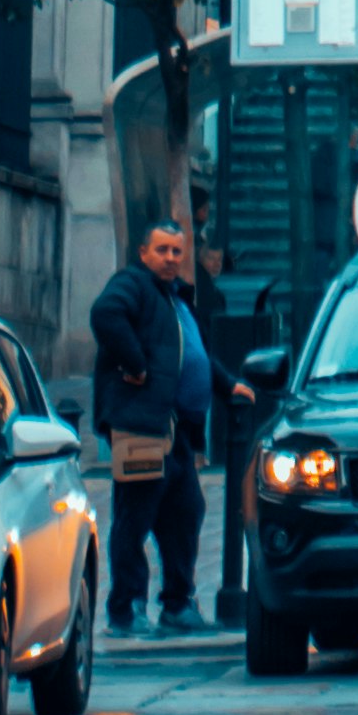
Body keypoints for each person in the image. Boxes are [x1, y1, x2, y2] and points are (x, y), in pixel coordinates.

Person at [91, 219, 214, 636]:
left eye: (178, 251)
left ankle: (178, 604)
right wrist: (135, 363)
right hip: (141, 425)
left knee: (185, 511)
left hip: (172, 427)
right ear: (144, 253)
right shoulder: (134, 284)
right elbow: (105, 315)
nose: (171, 258)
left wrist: (229, 383)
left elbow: (192, 354)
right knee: (135, 517)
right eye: (162, 250)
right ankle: (126, 609)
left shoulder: (174, 299)